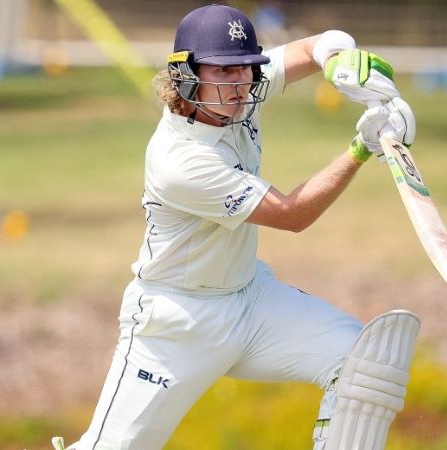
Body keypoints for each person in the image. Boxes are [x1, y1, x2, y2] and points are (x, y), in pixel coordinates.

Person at [55, 4, 420, 450]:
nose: (239, 85)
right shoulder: (179, 161)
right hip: (177, 325)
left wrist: (340, 62)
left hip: (250, 302)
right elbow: (291, 215)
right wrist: (362, 147)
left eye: (246, 70)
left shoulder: (240, 95)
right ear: (185, 75)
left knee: (365, 366)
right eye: (224, 72)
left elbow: (314, 45)